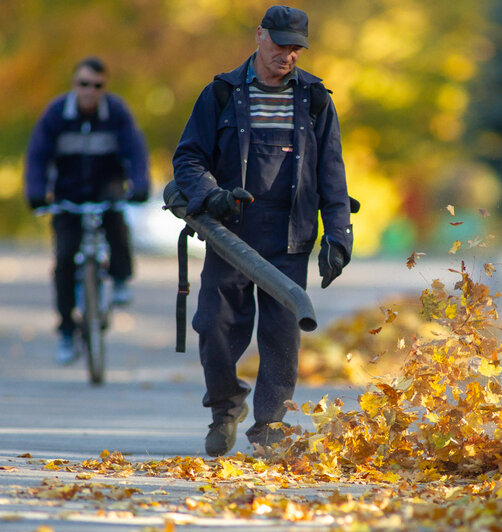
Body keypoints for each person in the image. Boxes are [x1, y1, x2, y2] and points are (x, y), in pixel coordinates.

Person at [172, 5, 353, 456]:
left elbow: (331, 173)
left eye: (296, 48)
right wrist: (211, 195)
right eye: (279, 44)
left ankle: (270, 426)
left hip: (290, 233)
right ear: (259, 36)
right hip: (230, 232)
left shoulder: (315, 99)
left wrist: (338, 236)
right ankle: (224, 407)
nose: (287, 55)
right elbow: (188, 159)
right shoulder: (220, 93)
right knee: (214, 324)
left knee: (281, 335)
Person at [25, 56, 150, 365]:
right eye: (84, 84)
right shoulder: (56, 114)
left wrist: (139, 184)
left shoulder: (116, 112)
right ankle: (67, 330)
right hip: (67, 195)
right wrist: (37, 193)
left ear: (104, 88)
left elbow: (135, 150)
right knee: (65, 259)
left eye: (97, 86)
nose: (90, 91)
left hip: (105, 186)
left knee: (116, 222)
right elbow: (38, 156)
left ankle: (120, 279)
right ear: (74, 85)